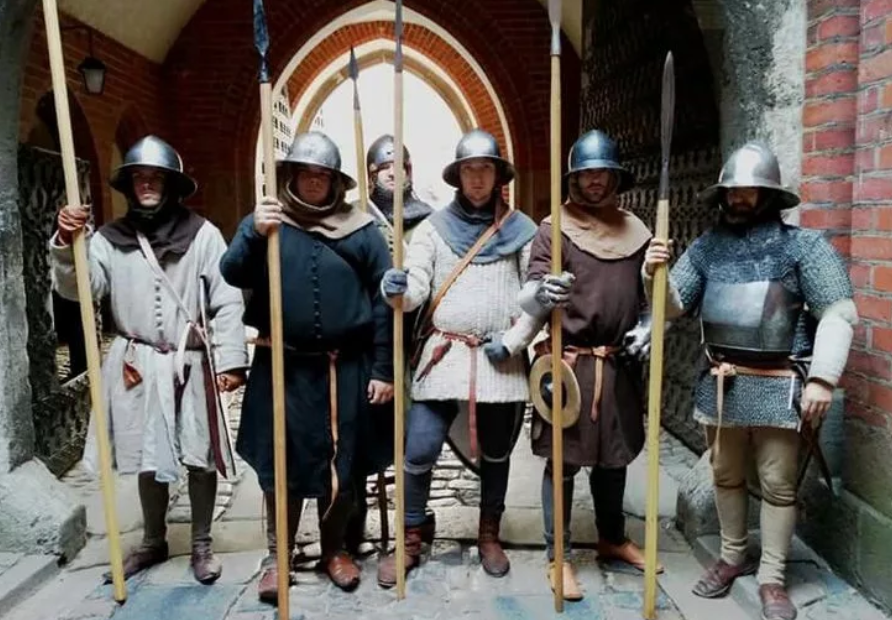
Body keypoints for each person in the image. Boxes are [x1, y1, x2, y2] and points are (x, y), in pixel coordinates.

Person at [643, 141, 858, 620]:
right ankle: (732, 555)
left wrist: (822, 379)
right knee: (725, 475)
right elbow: (672, 307)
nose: (738, 198)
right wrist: (652, 273)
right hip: (721, 383)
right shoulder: (706, 249)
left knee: (778, 484)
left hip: (779, 385)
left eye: (748, 190)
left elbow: (838, 313)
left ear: (768, 195)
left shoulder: (802, 248)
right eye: (732, 191)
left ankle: (772, 578)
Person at [51, 135, 248, 584]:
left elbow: (227, 300)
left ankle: (201, 544)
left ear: (171, 184)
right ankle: (153, 541)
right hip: (136, 363)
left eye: (155, 177)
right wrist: (67, 242)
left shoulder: (203, 235)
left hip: (189, 362)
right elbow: (79, 289)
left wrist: (232, 361)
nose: (146, 184)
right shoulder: (107, 239)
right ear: (128, 185)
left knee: (199, 453)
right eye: (139, 177)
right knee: (146, 452)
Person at [220, 131, 394, 600]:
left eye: (324, 174)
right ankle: (279, 557)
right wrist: (253, 232)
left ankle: (335, 550)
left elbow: (385, 302)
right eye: (306, 173)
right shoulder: (267, 221)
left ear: (336, 181)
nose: (315, 181)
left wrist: (383, 369)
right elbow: (231, 272)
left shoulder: (361, 230)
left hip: (345, 368)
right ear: (291, 176)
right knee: (282, 464)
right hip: (283, 368)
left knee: (343, 463)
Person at [495, 129, 660, 599]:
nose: (594, 181)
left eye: (602, 173)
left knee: (615, 458)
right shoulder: (554, 228)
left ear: (615, 177)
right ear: (574, 178)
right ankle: (559, 556)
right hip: (569, 365)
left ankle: (612, 538)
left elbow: (650, 296)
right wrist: (543, 293)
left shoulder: (639, 231)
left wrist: (648, 327)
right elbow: (529, 293)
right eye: (586, 173)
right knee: (563, 461)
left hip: (618, 365)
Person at [376, 128, 537, 587]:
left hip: (498, 357)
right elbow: (417, 288)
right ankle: (411, 538)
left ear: (498, 175)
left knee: (497, 451)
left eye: (485, 169)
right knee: (419, 446)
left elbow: (535, 297)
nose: (478, 178)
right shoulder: (433, 229)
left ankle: (489, 535)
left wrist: (516, 340)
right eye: (470, 170)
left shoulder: (522, 230)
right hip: (444, 355)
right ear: (458, 176)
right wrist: (397, 291)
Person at [340, 135, 436, 556]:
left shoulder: (430, 221)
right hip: (370, 344)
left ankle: (416, 517)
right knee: (362, 432)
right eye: (384, 168)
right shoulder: (354, 220)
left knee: (418, 435)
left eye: (401, 166)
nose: (393, 174)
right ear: (371, 174)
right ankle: (353, 515)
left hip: (417, 342)